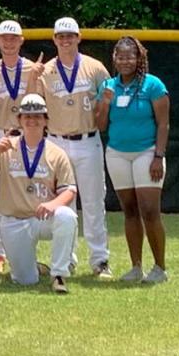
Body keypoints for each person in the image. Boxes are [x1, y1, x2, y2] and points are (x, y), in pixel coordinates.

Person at [0, 93, 78, 294]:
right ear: (20, 120)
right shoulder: (6, 147)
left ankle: (58, 274)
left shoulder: (56, 153)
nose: (32, 121)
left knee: (67, 216)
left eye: (38, 117)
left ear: (46, 121)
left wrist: (52, 205)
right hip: (14, 220)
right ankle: (38, 268)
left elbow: (70, 190)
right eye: (27, 117)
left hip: (43, 217)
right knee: (25, 280)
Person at [38, 17, 112, 278]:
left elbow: (108, 102)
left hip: (88, 139)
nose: (66, 40)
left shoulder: (94, 67)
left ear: (79, 37)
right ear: (54, 39)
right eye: (61, 36)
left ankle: (100, 260)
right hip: (56, 142)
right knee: (61, 205)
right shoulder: (45, 72)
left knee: (93, 201)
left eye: (70, 35)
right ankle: (66, 259)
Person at [95, 36, 170, 284]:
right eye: (120, 56)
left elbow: (163, 124)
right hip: (117, 153)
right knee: (129, 211)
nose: (125, 60)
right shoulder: (107, 85)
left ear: (139, 58)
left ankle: (159, 268)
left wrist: (158, 156)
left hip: (147, 152)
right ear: (114, 59)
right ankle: (136, 266)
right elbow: (101, 125)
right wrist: (104, 102)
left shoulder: (153, 85)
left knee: (149, 211)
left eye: (130, 56)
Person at [0, 20, 44, 274]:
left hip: (27, 136)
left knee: (30, 195)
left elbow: (38, 104)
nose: (8, 43)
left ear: (21, 41)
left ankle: (27, 251)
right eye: (4, 38)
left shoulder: (33, 69)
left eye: (13, 38)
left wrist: (33, 79)